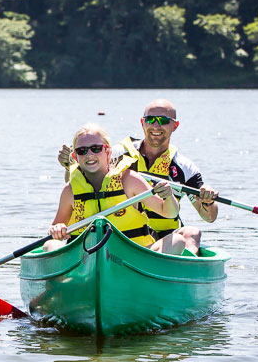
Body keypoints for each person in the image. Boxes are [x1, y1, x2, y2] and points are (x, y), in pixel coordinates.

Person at [58, 98, 218, 254]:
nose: (156, 125)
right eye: (150, 120)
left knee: (192, 233)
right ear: (142, 123)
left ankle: (184, 271)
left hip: (163, 237)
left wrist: (208, 201)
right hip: (123, 236)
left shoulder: (185, 168)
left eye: (163, 120)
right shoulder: (114, 154)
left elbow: (209, 217)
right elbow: (79, 187)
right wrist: (69, 166)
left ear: (175, 125)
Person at [47, 123, 186, 254]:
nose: (89, 155)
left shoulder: (129, 180)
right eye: (82, 151)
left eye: (96, 148)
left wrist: (168, 196)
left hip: (135, 255)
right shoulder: (70, 190)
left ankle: (150, 275)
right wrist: (56, 229)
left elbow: (170, 213)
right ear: (75, 157)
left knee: (177, 241)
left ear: (108, 151)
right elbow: (55, 232)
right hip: (86, 257)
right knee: (50, 246)